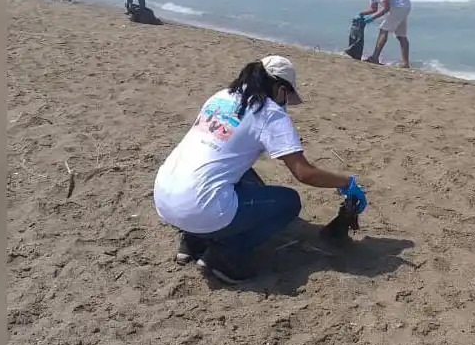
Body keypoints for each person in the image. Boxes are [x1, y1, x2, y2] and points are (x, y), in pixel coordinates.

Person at [153, 55, 369, 284]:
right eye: (286, 96)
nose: (285, 103)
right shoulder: (269, 112)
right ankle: (226, 255)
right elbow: (304, 173)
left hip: (165, 196)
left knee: (231, 171)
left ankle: (192, 240)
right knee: (288, 202)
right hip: (199, 207)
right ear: (280, 88)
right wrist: (347, 182)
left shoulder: (221, 96)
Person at [355, 0, 412, 68]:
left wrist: (372, 18)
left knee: (383, 30)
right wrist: (361, 14)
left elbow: (386, 8)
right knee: (401, 36)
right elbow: (374, 9)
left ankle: (375, 57)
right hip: (403, 6)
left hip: (400, 6)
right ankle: (406, 64)